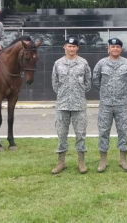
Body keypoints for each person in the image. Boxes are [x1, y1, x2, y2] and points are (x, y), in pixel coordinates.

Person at [93, 37, 127, 172]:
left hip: (121, 104)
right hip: (105, 104)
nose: (115, 49)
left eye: (118, 47)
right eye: (112, 47)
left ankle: (123, 160)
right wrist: (106, 93)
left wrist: (121, 92)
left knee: (123, 131)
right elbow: (96, 81)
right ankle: (103, 160)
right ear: (108, 48)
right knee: (103, 131)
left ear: (121, 49)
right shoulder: (101, 63)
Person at [51, 36, 92, 175]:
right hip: (62, 104)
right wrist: (64, 93)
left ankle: (81, 162)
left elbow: (88, 83)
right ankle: (61, 162)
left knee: (80, 134)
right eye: (69, 46)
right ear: (64, 47)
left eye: (74, 46)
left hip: (79, 104)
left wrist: (77, 92)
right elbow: (55, 84)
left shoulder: (83, 63)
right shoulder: (58, 63)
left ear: (77, 48)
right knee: (61, 134)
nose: (71, 48)